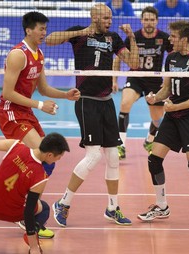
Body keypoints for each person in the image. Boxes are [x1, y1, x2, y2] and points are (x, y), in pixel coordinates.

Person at [45, 3, 139, 227]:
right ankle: (63, 203)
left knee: (113, 158)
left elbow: (134, 63)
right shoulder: (79, 34)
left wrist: (131, 38)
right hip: (86, 101)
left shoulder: (113, 38)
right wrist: (80, 32)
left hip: (106, 102)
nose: (109, 21)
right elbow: (49, 39)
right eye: (106, 18)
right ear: (94, 17)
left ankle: (112, 208)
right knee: (93, 156)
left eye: (111, 18)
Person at [0, 11, 80, 238]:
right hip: (11, 113)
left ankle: (25, 201)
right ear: (28, 30)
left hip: (26, 112)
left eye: (45, 29)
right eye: (41, 29)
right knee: (42, 155)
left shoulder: (39, 54)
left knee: (48, 159)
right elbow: (7, 93)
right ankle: (25, 212)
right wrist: (40, 105)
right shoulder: (17, 55)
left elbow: (43, 89)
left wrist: (65, 95)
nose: (44, 33)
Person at [137, 20, 189, 228]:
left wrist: (174, 108)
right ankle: (162, 206)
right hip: (172, 116)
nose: (169, 39)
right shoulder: (171, 58)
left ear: (184, 38)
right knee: (154, 160)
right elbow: (166, 88)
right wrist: (156, 98)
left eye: (173, 36)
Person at [0, 104, 70, 254]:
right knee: (43, 207)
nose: (58, 160)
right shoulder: (41, 176)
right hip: (13, 213)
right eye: (59, 157)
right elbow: (29, 212)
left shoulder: (14, 146)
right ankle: (31, 233)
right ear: (50, 155)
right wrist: (33, 246)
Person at [112, 6, 172, 160]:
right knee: (125, 103)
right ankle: (120, 145)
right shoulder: (134, 36)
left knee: (158, 119)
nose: (149, 23)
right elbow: (118, 58)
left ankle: (149, 141)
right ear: (141, 21)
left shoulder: (164, 38)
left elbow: (174, 58)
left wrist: (168, 82)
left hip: (155, 81)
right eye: (146, 19)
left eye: (152, 20)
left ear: (157, 21)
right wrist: (114, 79)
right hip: (136, 77)